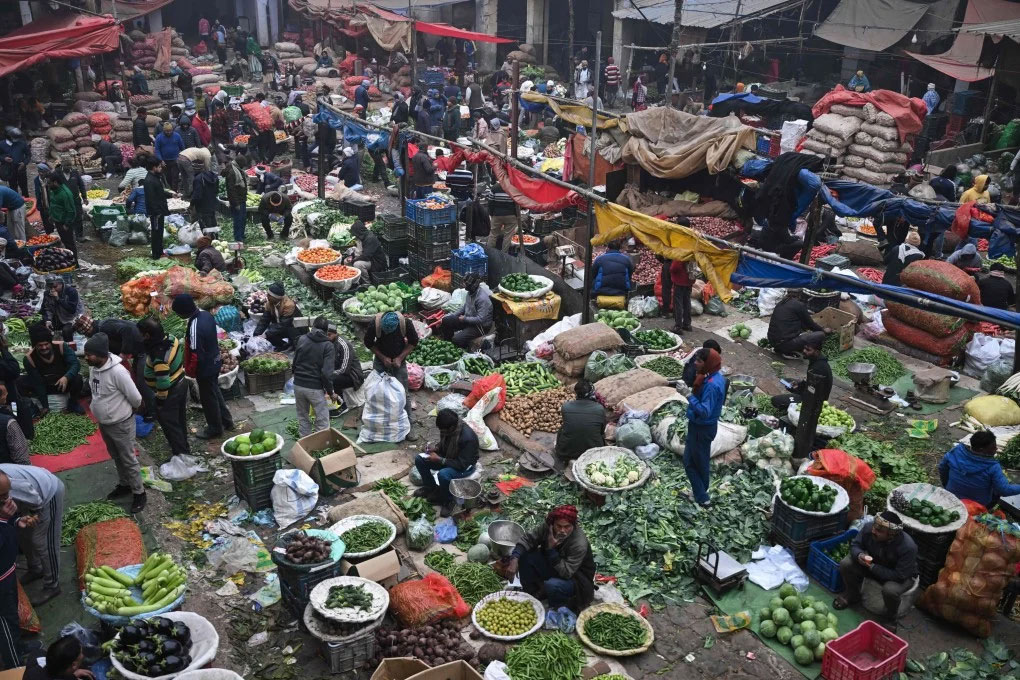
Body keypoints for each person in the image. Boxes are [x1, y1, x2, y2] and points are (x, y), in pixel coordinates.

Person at [84, 333, 146, 513]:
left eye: (89, 354)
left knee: (128, 459)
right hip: (104, 423)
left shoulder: (118, 372)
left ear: (102, 354)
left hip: (121, 424)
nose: (86, 357)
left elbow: (136, 397)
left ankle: (139, 493)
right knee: (116, 455)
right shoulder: (94, 367)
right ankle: (125, 484)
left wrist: (127, 412)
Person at [834, 511, 917, 632]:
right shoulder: (869, 529)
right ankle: (852, 594)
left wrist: (873, 567)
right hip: (874, 565)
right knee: (846, 564)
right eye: (874, 527)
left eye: (879, 531)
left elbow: (900, 575)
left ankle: (891, 617)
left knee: (890, 590)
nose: (874, 531)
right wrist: (859, 555)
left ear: (891, 535)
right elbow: (855, 545)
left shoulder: (908, 547)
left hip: (901, 576)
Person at [502, 505, 596, 611]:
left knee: (552, 585)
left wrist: (551, 550)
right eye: (559, 526)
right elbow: (528, 539)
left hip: (576, 578)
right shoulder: (547, 527)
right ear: (552, 524)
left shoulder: (579, 543)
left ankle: (559, 606)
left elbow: (566, 573)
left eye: (567, 527)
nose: (562, 530)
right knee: (524, 555)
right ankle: (532, 593)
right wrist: (514, 559)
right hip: (554, 564)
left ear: (573, 525)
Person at [1, 462, 64, 605]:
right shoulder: (6, 492)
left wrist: (35, 515)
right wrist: (16, 519)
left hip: (46, 493)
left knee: (42, 541)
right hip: (23, 498)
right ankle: (35, 568)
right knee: (22, 535)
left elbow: (34, 498)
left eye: (5, 495)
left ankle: (52, 585)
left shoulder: (8, 485)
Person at [173, 294, 233, 439]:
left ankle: (214, 428)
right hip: (215, 361)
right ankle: (227, 421)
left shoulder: (194, 326)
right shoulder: (206, 315)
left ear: (183, 312)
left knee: (208, 398)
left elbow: (195, 354)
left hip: (204, 367)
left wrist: (191, 372)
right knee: (214, 392)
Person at [676, 348, 727, 507]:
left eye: (699, 361)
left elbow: (705, 411)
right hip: (701, 426)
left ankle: (702, 496)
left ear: (708, 363)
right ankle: (700, 493)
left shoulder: (712, 385)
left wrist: (688, 395)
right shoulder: (713, 377)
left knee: (691, 462)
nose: (695, 363)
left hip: (702, 428)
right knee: (699, 461)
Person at [137, 318, 190, 462]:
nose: (139, 337)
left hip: (171, 391)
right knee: (179, 420)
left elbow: (163, 381)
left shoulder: (159, 355)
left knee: (171, 425)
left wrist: (160, 400)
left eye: (140, 334)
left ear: (147, 335)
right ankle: (184, 449)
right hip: (180, 382)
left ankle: (181, 457)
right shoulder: (171, 338)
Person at [0, 471, 37, 669]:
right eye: (2, 497)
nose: (7, 499)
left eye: (8, 493)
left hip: (7, 576)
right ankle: (15, 666)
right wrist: (5, 520)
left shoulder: (3, 509)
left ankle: (19, 646)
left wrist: (16, 520)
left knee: (13, 616)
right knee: (5, 624)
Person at [413, 409, 478, 516]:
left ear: (451, 427)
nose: (441, 432)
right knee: (419, 460)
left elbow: (461, 464)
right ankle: (431, 488)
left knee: (443, 474)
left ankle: (448, 500)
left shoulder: (468, 438)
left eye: (442, 430)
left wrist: (439, 459)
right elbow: (444, 445)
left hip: (465, 466)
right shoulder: (449, 429)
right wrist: (436, 448)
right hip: (450, 458)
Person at [364, 311, 418, 437]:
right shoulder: (375, 325)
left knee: (403, 392)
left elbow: (413, 342)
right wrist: (383, 358)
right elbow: (369, 343)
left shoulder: (405, 324)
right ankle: (379, 422)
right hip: (380, 357)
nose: (387, 334)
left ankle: (409, 425)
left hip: (399, 356)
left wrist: (400, 358)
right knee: (377, 390)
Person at [940, 430, 1020, 509]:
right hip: (976, 505)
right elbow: (1004, 490)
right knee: (996, 493)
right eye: (993, 447)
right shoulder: (992, 467)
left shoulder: (956, 451)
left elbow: (942, 468)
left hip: (951, 496)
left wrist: (946, 485)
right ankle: (982, 510)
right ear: (982, 449)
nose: (996, 449)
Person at [20, 324, 83, 417]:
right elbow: (38, 383)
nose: (44, 348)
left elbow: (75, 364)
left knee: (78, 379)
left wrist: (66, 377)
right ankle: (34, 408)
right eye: (40, 345)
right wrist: (45, 406)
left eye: (46, 344)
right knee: (18, 382)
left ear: (51, 342)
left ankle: (72, 404)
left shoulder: (61, 346)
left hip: (63, 384)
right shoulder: (29, 359)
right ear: (35, 346)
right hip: (45, 386)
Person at [291, 317, 335, 437]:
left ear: (313, 327)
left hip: (298, 385)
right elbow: (326, 374)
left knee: (302, 417)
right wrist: (331, 392)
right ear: (327, 331)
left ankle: (306, 446)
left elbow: (294, 363)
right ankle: (321, 446)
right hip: (314, 388)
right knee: (322, 420)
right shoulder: (328, 346)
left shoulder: (302, 339)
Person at [554, 380, 605, 461]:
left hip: (566, 453)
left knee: (563, 427)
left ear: (576, 393)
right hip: (592, 454)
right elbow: (601, 431)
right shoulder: (599, 408)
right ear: (592, 393)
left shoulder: (566, 406)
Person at [440, 273, 492, 349]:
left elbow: (481, 319)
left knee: (456, 339)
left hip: (480, 327)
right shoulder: (470, 293)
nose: (463, 285)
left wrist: (464, 319)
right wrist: (453, 315)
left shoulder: (482, 299)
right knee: (446, 320)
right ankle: (448, 345)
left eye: (465, 284)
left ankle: (463, 349)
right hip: (469, 319)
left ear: (471, 285)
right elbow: (464, 307)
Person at [767, 290, 827, 357]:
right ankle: (789, 350)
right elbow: (811, 325)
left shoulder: (781, 302)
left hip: (772, 341)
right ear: (800, 294)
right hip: (784, 344)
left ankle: (788, 348)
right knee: (820, 335)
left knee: (802, 325)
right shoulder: (799, 305)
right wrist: (823, 330)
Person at [23, 634, 95, 680]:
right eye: (81, 652)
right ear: (74, 665)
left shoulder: (37, 654)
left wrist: (73, 676)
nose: (83, 654)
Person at [254, 282, 300, 351]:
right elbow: (264, 320)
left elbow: (284, 324)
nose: (267, 296)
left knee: (270, 333)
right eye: (268, 294)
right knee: (270, 332)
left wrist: (266, 334)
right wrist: (256, 334)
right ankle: (283, 345)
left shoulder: (288, 305)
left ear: (276, 297)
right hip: (281, 326)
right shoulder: (270, 303)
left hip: (293, 328)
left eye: (269, 295)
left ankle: (293, 344)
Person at [326, 323, 364, 401]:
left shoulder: (344, 345)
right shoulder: (328, 343)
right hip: (337, 371)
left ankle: (341, 403)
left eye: (329, 335)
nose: (327, 337)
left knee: (331, 379)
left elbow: (344, 369)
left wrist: (329, 374)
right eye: (325, 335)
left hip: (352, 376)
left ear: (336, 334)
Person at [143, 158, 171, 260]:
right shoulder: (149, 180)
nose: (161, 168)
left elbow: (159, 192)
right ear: (154, 167)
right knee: (156, 233)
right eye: (159, 167)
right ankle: (156, 255)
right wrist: (157, 212)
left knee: (159, 232)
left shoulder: (155, 177)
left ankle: (160, 251)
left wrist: (170, 194)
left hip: (159, 210)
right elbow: (151, 199)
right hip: (156, 212)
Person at [45, 174, 77, 263]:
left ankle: (74, 262)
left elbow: (71, 211)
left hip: (64, 222)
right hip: (58, 221)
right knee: (64, 241)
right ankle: (68, 260)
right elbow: (53, 204)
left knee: (69, 243)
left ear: (55, 182)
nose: (48, 185)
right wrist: (51, 215)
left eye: (49, 183)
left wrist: (67, 224)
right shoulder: (53, 190)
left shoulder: (65, 194)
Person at [41, 276, 82, 343]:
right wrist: (47, 320)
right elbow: (45, 308)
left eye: (55, 287)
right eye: (50, 287)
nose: (52, 289)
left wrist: (58, 299)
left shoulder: (71, 291)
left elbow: (72, 310)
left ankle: (69, 348)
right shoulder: (47, 293)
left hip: (71, 318)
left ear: (61, 284)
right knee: (39, 328)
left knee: (66, 331)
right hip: (57, 317)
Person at [0, 385, 28, 464]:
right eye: (5, 394)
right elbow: (22, 458)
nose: (6, 394)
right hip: (6, 469)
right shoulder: (8, 422)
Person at [224, 154, 248, 242]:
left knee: (243, 218)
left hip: (242, 198)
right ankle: (238, 237)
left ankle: (241, 234)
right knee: (238, 219)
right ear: (239, 163)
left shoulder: (238, 169)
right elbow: (231, 190)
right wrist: (236, 203)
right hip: (237, 200)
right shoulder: (232, 172)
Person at [153, 123, 184, 190]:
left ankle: (175, 191)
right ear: (164, 130)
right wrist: (161, 160)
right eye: (167, 131)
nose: (169, 132)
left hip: (175, 160)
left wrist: (180, 157)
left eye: (170, 130)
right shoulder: (159, 137)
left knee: (175, 177)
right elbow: (157, 150)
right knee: (168, 177)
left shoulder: (177, 136)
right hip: (165, 161)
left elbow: (182, 147)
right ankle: (169, 191)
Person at [190, 161, 219, 231]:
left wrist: (192, 204)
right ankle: (215, 239)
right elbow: (216, 191)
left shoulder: (198, 179)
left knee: (205, 227)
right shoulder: (213, 176)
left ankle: (208, 240)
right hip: (212, 204)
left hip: (202, 207)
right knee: (213, 224)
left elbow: (197, 195)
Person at [0, 128, 28, 197]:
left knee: (24, 188)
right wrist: (4, 158)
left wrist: (24, 163)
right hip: (9, 170)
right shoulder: (1, 144)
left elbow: (28, 155)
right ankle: (16, 203)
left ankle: (27, 203)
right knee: (13, 188)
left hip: (21, 169)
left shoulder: (22, 143)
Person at [670, 258, 694, 333]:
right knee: (687, 303)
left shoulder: (681, 254)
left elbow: (674, 268)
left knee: (678, 305)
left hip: (680, 282)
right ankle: (687, 324)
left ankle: (678, 326)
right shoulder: (692, 254)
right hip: (689, 282)